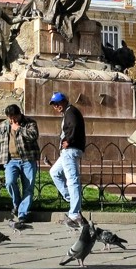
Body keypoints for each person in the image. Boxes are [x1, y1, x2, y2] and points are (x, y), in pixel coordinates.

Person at [49, 92, 85, 226]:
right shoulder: (68, 112)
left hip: (70, 150)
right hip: (66, 152)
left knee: (72, 180)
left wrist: (68, 140)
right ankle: (73, 199)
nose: (56, 106)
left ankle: (74, 213)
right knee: (54, 173)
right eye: (54, 104)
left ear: (65, 101)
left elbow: (74, 126)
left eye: (58, 103)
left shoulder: (71, 112)